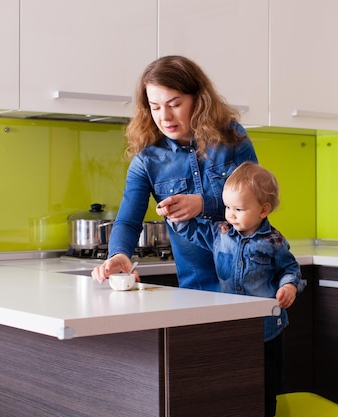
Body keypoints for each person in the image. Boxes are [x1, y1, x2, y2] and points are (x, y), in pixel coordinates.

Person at [91, 55, 257, 290]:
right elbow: (128, 221)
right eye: (155, 107)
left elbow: (260, 203)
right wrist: (119, 253)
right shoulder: (147, 159)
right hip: (197, 292)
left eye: (174, 104)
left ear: (198, 100)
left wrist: (204, 204)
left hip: (253, 284)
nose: (164, 117)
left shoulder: (232, 138)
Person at [169, 161, 304, 417]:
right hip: (230, 324)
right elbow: (193, 232)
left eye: (238, 209)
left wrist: (289, 286)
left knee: (265, 383)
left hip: (267, 328)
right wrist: (173, 216)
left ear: (263, 209)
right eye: (228, 207)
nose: (230, 214)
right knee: (234, 383)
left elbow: (291, 269)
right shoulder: (221, 233)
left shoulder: (273, 242)